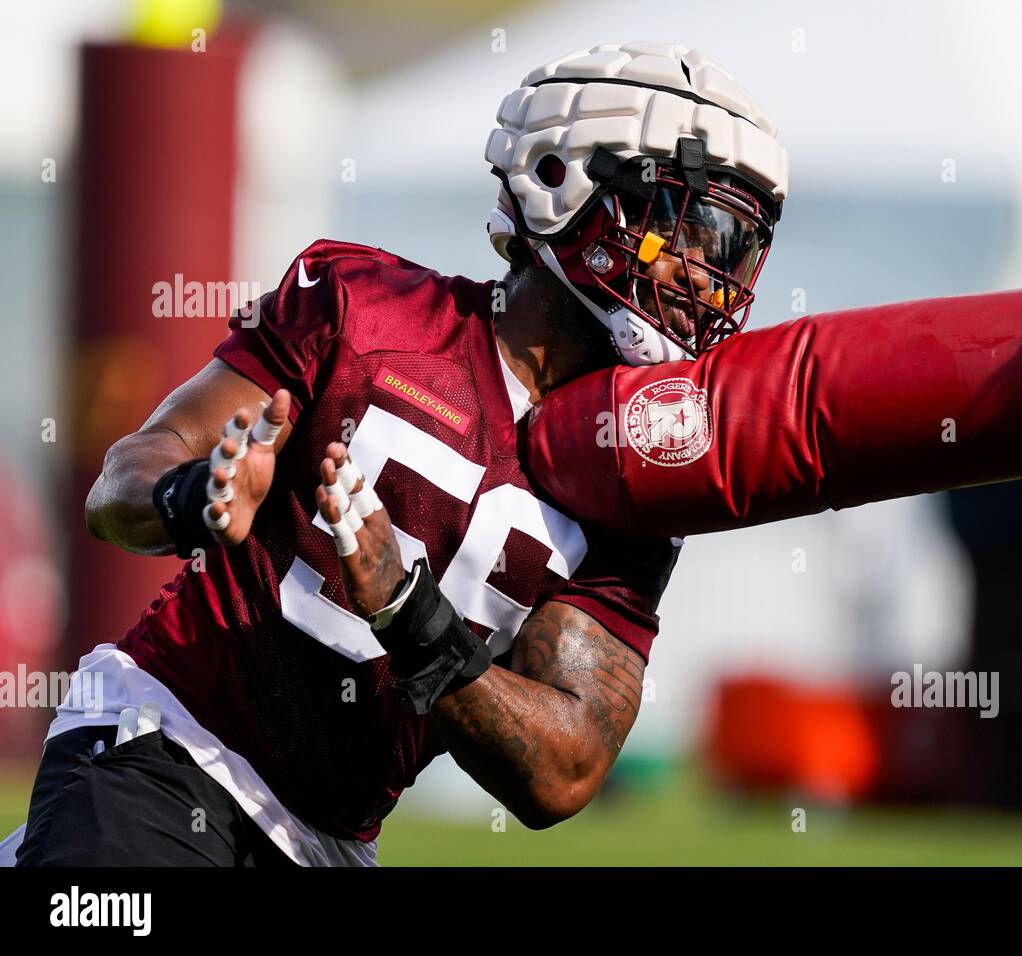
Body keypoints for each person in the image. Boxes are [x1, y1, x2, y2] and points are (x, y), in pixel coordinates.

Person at [10, 41, 786, 866]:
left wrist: (414, 621)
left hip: (328, 842)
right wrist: (194, 492)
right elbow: (119, 482)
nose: (707, 274)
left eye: (732, 245)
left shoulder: (639, 465)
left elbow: (564, 772)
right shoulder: (364, 309)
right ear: (560, 181)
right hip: (162, 741)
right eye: (682, 225)